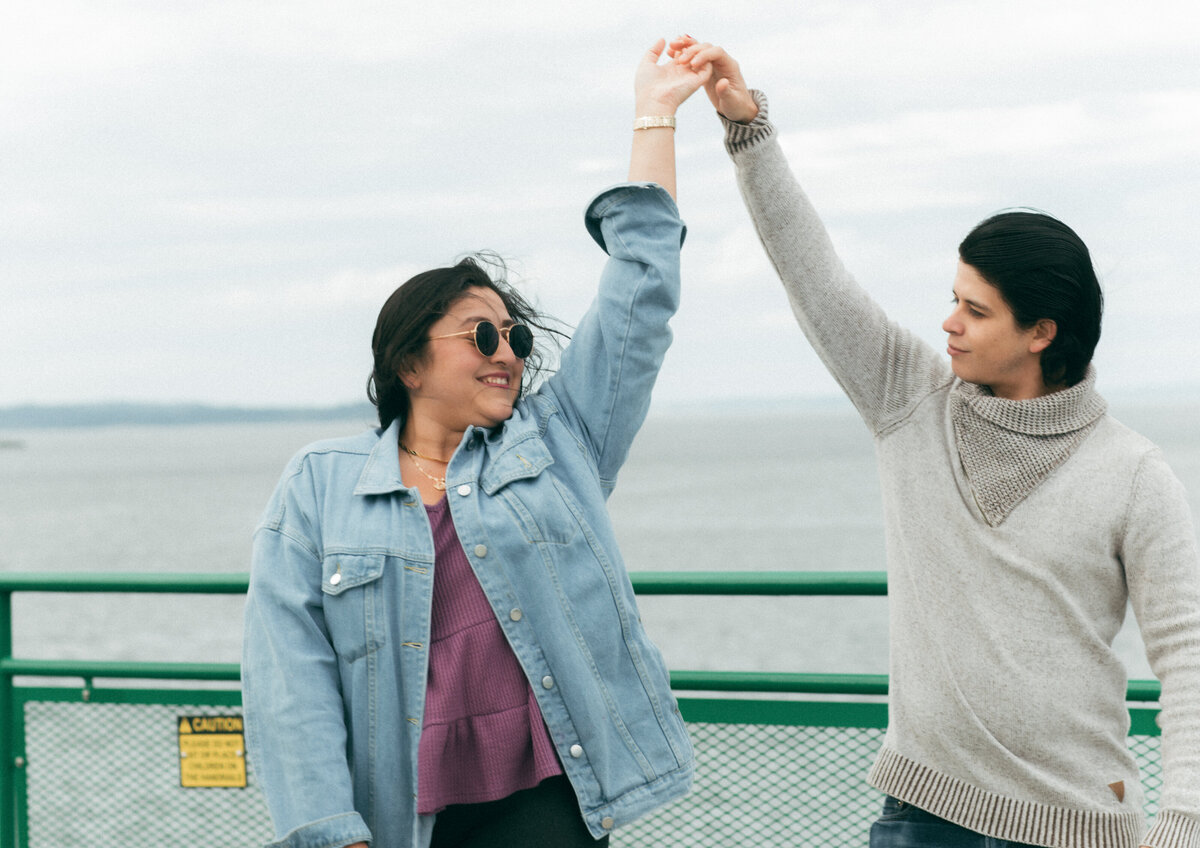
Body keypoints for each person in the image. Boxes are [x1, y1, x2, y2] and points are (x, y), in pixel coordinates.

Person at [669, 36, 1200, 848]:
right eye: (951, 298)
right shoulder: (908, 399)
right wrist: (748, 130)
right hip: (920, 817)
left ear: (1041, 333)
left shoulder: (1133, 474)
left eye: (976, 311)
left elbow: (1188, 660)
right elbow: (815, 275)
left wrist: (1182, 824)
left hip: (1078, 831)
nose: (948, 323)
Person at [242, 40, 709, 848]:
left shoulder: (560, 442)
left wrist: (655, 114)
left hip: (550, 801)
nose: (506, 351)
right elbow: (290, 678)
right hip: (400, 821)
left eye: (516, 336)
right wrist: (330, 830)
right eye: (481, 333)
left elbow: (643, 287)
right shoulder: (318, 487)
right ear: (409, 362)